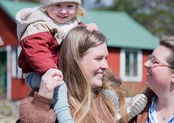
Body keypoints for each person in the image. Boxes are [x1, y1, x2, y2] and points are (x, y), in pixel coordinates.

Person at [17, 26, 147, 123]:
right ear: (76, 61)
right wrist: (42, 103)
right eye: (98, 59)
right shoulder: (50, 99)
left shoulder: (106, 100)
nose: (105, 66)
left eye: (106, 58)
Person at [15, 0, 97, 122]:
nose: (64, 11)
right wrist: (51, 71)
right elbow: (37, 52)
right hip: (37, 72)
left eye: (69, 6)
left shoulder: (71, 23)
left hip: (59, 69)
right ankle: (65, 119)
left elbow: (77, 36)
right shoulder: (38, 25)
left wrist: (88, 30)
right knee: (60, 85)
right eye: (57, 5)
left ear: (76, 7)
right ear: (47, 5)